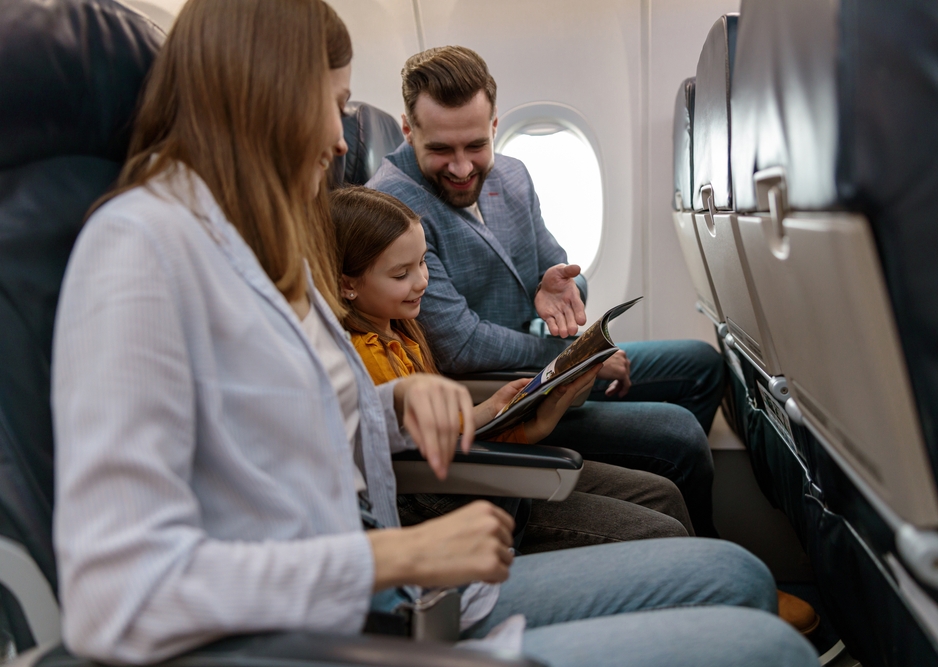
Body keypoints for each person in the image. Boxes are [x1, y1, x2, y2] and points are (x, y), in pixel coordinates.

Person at [51, 1, 819, 664]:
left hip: (400, 595)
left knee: (737, 576)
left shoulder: (254, 241)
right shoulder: (140, 250)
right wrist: (397, 552)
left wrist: (401, 399)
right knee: (767, 647)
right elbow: (116, 593)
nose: (339, 137)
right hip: (334, 631)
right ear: (266, 96)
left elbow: (301, 428)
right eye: (333, 103)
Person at [367, 45, 725, 538]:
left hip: (544, 364)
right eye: (440, 150)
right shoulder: (391, 208)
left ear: (495, 124)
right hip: (501, 388)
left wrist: (562, 284)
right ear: (409, 132)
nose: (462, 168)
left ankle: (666, 540)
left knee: (701, 365)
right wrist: (577, 356)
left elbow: (560, 266)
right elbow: (462, 343)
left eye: (475, 145)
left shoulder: (512, 174)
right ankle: (701, 562)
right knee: (678, 436)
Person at [327, 184, 694, 551]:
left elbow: (439, 430)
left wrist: (498, 410)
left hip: (468, 468)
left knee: (662, 493)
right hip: (448, 497)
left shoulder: (400, 331)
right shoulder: (367, 355)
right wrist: (524, 430)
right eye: (401, 274)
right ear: (348, 286)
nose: (422, 281)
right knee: (663, 527)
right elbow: (423, 452)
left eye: (422, 262)